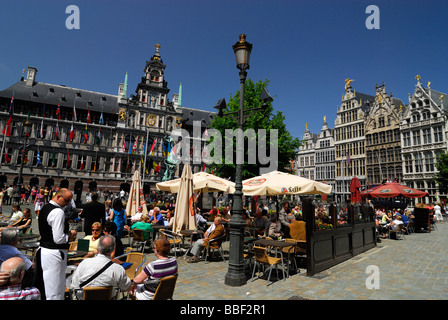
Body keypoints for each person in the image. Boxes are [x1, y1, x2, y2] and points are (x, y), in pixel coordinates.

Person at [33, 188, 77, 300]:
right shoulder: (58, 212)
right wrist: (70, 235)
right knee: (55, 289)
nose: (67, 204)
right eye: (67, 200)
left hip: (43, 250)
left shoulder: (45, 208)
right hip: (54, 253)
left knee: (44, 285)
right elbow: (58, 239)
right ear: (58, 197)